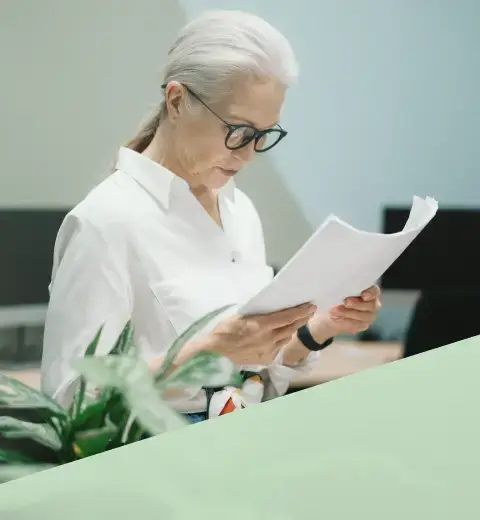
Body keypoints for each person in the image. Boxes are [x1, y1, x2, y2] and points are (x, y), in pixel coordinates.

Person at [41, 10, 381, 423]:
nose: (248, 153)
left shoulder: (240, 213)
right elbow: (69, 402)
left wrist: (319, 329)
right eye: (238, 129)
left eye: (263, 135)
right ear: (178, 100)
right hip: (156, 469)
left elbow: (252, 379)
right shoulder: (105, 223)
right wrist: (208, 352)